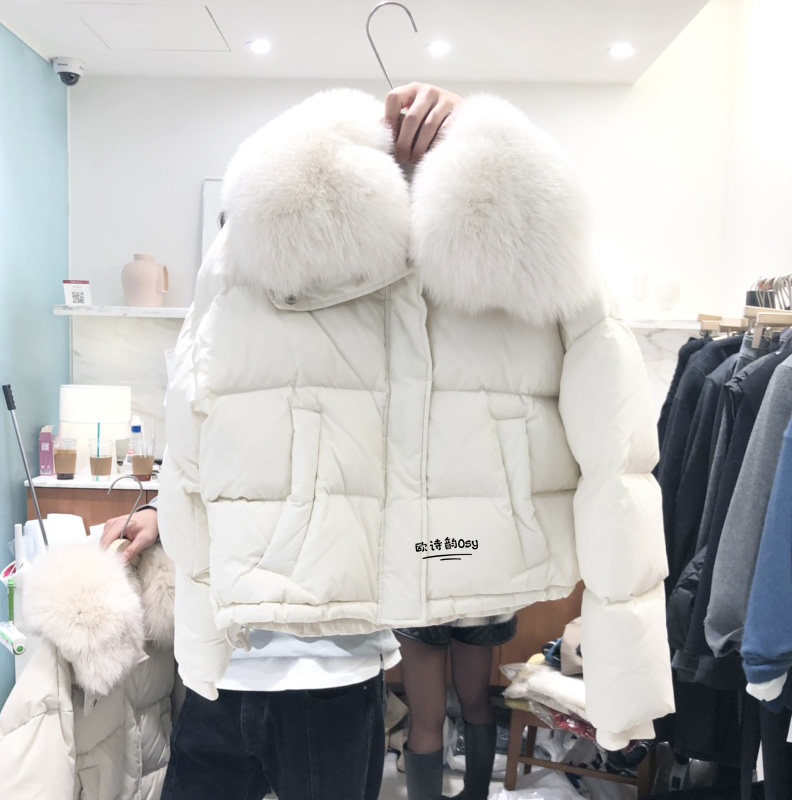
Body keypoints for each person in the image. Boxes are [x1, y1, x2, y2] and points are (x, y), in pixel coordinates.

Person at [100, 82, 465, 800]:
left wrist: (459, 151)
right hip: (222, 658)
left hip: (329, 664)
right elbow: (205, 431)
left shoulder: (394, 302)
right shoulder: (230, 284)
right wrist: (163, 515)